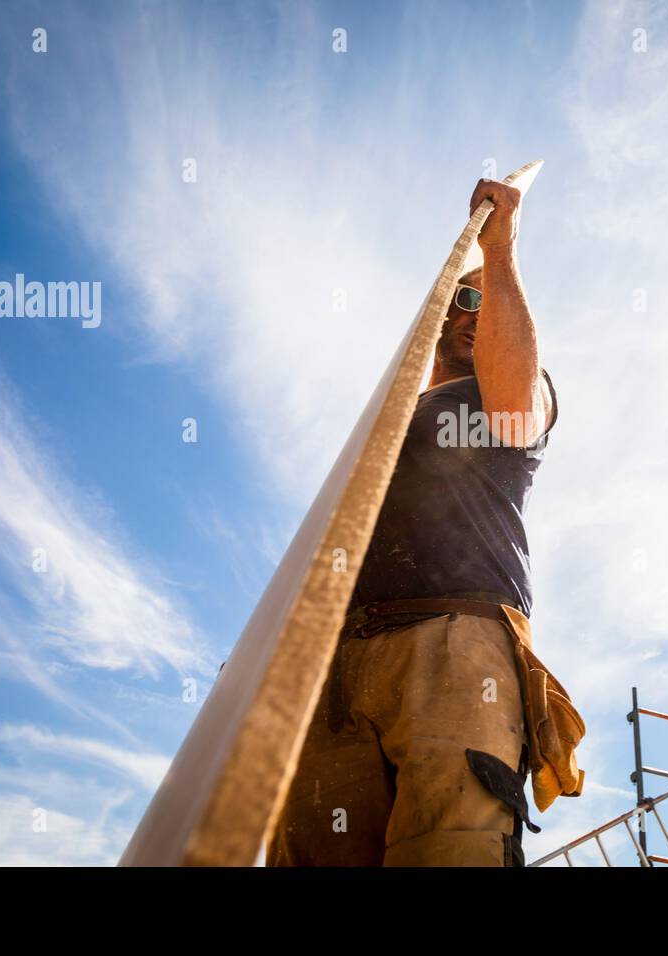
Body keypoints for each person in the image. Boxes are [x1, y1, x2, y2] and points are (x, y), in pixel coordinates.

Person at [266, 177, 576, 867]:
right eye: (458, 298)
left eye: (482, 301)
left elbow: (519, 406)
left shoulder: (505, 394)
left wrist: (499, 253)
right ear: (434, 314)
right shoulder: (383, 422)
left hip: (453, 643)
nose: (472, 311)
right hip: (333, 663)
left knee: (451, 846)